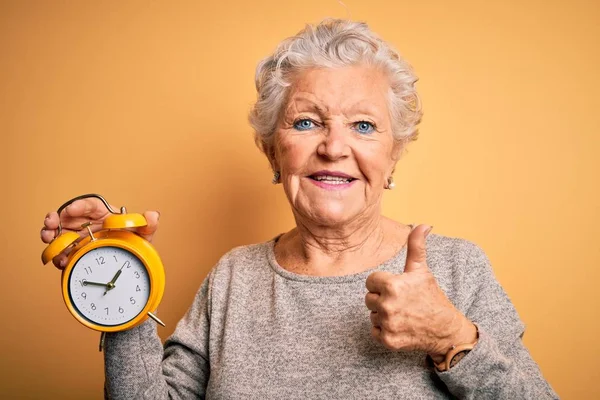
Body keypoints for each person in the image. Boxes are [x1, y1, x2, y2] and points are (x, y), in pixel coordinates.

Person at [40, 19, 558, 399]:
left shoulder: (458, 269)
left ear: (394, 152)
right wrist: (119, 286)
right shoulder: (232, 278)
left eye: (363, 125)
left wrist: (453, 340)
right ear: (272, 148)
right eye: (307, 122)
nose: (334, 147)